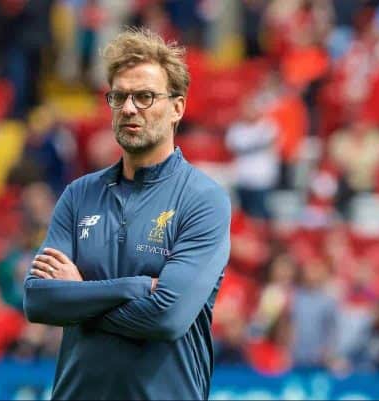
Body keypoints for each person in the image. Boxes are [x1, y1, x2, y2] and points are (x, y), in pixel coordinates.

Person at [23, 27, 231, 400]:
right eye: (119, 97)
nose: (129, 108)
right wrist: (131, 288)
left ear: (177, 108)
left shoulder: (203, 199)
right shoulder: (79, 194)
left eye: (145, 97)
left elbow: (167, 318)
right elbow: (39, 300)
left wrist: (79, 297)